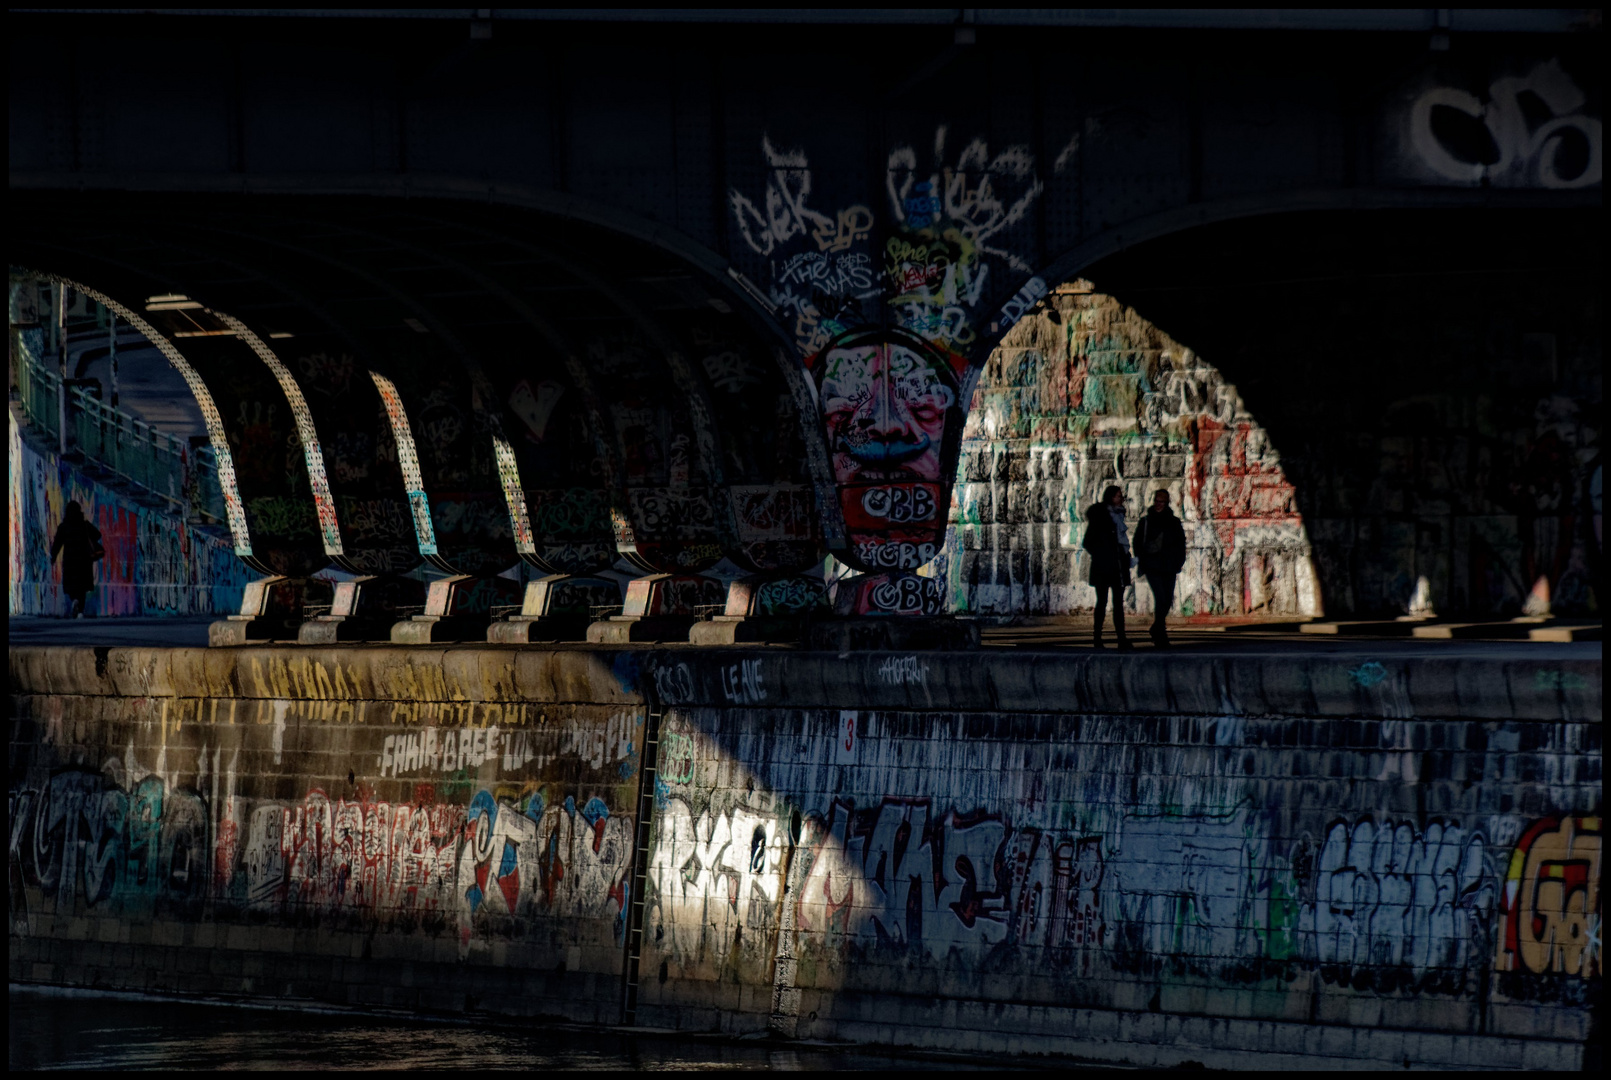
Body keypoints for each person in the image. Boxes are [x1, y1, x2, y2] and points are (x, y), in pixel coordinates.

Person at [1082, 485, 1133, 650]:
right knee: (1102, 602)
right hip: (1104, 566)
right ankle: (1097, 638)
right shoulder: (1101, 517)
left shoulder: (1118, 515)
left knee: (1118, 603)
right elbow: (1088, 542)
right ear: (1111, 497)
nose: (1121, 498)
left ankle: (1121, 638)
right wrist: (1103, 554)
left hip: (1117, 566)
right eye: (1118, 496)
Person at [1134, 489, 1187, 647]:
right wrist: (1142, 560)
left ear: (1167, 503)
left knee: (1167, 600)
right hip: (1152, 566)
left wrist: (1179, 561)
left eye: (1161, 502)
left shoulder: (1174, 522)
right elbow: (1137, 542)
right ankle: (1161, 633)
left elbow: (1180, 543)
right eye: (1157, 501)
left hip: (1169, 566)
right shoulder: (1146, 521)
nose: (1158, 504)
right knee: (1161, 597)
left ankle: (1156, 628)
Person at [50, 501, 103, 618]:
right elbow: (98, 534)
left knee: (71, 586)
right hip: (84, 561)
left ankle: (74, 600)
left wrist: (53, 557)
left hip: (70, 561)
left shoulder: (64, 527)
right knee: (82, 587)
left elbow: (57, 544)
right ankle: (80, 611)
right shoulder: (84, 525)